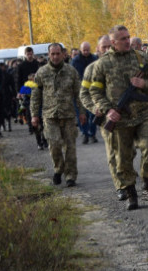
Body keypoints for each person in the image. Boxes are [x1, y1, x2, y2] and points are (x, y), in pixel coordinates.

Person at [90, 25, 148, 210]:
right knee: (122, 159)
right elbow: (95, 91)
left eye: (128, 37)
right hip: (120, 119)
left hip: (144, 114)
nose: (127, 41)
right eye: (123, 39)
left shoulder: (141, 57)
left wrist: (143, 83)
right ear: (113, 42)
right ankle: (131, 193)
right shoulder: (102, 64)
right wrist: (107, 110)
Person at [31, 43, 86, 187]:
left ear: (63, 54)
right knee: (54, 145)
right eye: (52, 54)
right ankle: (59, 168)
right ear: (49, 55)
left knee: (70, 148)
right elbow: (35, 95)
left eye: (57, 53)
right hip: (50, 116)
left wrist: (82, 112)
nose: (55, 57)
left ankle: (70, 176)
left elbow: (78, 94)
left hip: (68, 115)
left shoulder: (71, 71)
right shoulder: (41, 73)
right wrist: (34, 115)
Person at [80, 34, 125, 199]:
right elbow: (84, 94)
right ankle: (120, 186)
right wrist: (94, 108)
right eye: (103, 47)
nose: (106, 50)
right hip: (106, 117)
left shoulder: (120, 65)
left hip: (125, 116)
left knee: (127, 152)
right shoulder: (91, 69)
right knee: (113, 151)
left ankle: (128, 179)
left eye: (109, 46)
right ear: (97, 49)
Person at [71, 41, 98, 144]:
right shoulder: (75, 61)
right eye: (84, 50)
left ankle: (92, 133)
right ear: (80, 50)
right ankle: (85, 133)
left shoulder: (94, 59)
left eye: (87, 50)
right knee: (82, 114)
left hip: (93, 90)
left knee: (93, 113)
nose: (86, 52)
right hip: (80, 91)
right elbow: (72, 76)